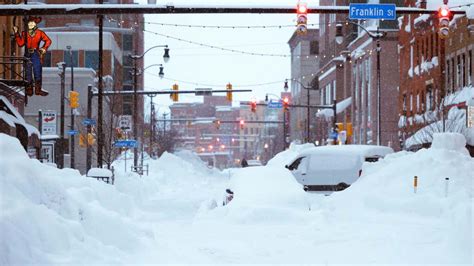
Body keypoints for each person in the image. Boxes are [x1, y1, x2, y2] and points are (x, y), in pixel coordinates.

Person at [13, 16, 51, 97]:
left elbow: (48, 41)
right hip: (27, 53)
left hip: (35, 53)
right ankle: (29, 89)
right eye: (29, 23)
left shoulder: (40, 33)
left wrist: (44, 48)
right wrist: (16, 33)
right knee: (28, 72)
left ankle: (38, 89)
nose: (31, 25)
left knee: (37, 71)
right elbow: (20, 43)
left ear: (35, 24)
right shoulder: (24, 33)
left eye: (32, 23)